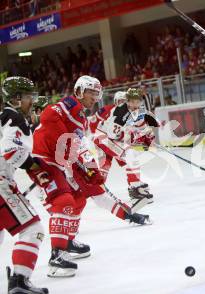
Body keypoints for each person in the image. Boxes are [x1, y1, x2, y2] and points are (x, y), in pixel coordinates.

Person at [32, 75, 151, 278]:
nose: (95, 98)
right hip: (45, 161)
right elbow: (48, 117)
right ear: (79, 91)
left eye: (97, 94)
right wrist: (67, 148)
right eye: (91, 92)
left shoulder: (81, 118)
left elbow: (79, 148)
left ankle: (67, 241)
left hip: (63, 162)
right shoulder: (66, 106)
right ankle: (56, 255)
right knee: (64, 201)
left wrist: (90, 168)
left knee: (81, 197)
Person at [0, 77, 50, 293]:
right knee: (33, 229)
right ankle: (20, 281)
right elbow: (11, 151)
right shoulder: (12, 117)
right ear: (16, 98)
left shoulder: (7, 117)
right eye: (29, 96)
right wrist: (34, 166)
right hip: (1, 183)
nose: (33, 100)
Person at [93, 88, 156, 211]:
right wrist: (134, 137)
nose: (136, 104)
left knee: (105, 167)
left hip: (109, 139)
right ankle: (135, 190)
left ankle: (94, 189)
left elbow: (142, 127)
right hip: (104, 138)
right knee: (130, 154)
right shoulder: (121, 111)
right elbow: (113, 135)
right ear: (128, 101)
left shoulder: (138, 111)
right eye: (133, 101)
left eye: (138, 101)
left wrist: (147, 135)